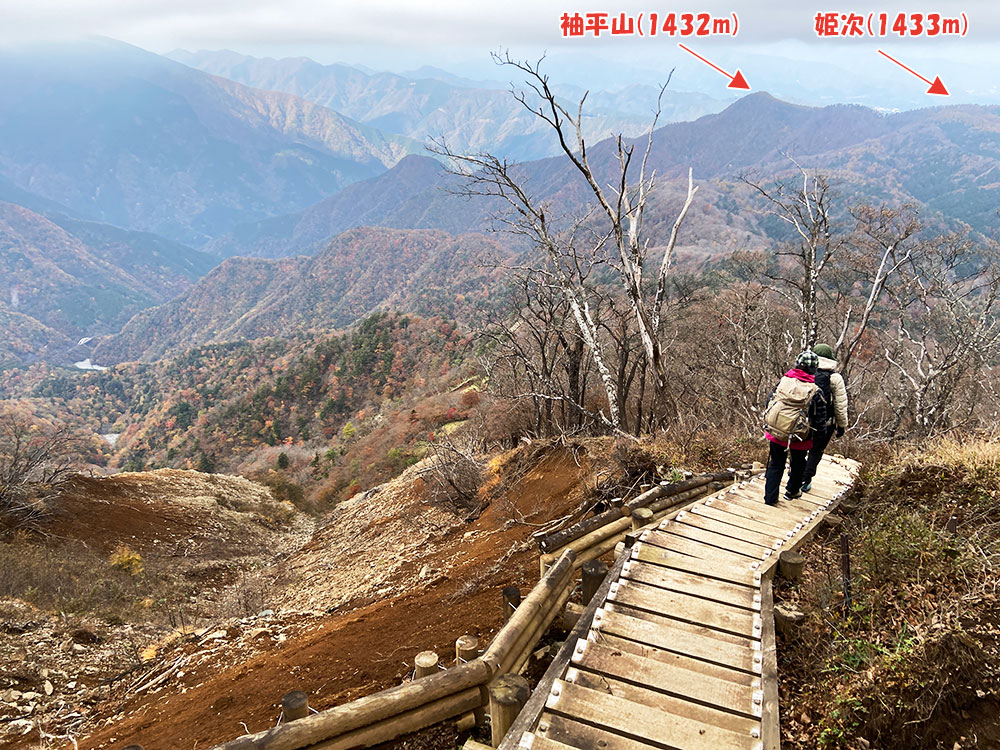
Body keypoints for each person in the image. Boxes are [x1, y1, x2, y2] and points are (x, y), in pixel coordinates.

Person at [762, 350, 828, 505]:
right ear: (814, 369)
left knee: (776, 464)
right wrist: (819, 439)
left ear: (797, 365)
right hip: (800, 436)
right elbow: (820, 420)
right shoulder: (815, 391)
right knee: (798, 464)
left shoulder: (783, 382)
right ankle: (792, 491)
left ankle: (770, 498)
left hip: (777, 432)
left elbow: (769, 402)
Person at [801, 343, 848, 492]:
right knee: (816, 451)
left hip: (804, 421)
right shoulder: (835, 378)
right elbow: (840, 405)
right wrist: (842, 425)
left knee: (801, 449)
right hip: (826, 423)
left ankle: (795, 475)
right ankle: (806, 480)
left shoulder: (805, 372)